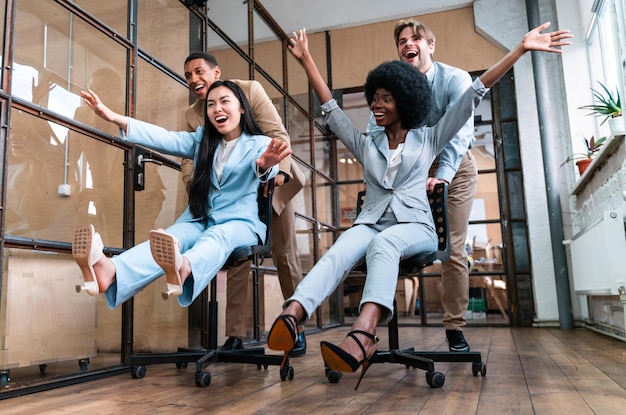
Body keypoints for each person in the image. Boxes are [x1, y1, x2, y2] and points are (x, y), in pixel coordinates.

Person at [267, 23, 572, 389]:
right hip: (371, 223)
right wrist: (306, 59)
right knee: (341, 249)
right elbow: (331, 109)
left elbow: (476, 91)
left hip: (416, 230)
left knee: (385, 243)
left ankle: (364, 333)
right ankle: (293, 313)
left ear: (406, 102)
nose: (376, 105)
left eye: (385, 99)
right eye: (374, 98)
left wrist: (520, 50)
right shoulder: (367, 145)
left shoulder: (430, 138)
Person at [72, 80, 291, 313]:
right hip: (200, 220)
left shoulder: (260, 144)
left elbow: (268, 168)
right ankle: (109, 271)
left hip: (240, 224)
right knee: (171, 237)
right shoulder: (202, 141)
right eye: (211, 105)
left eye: (225, 102)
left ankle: (185, 267)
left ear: (242, 108)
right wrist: (115, 117)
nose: (217, 109)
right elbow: (164, 138)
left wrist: (265, 166)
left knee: (218, 235)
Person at [182, 52, 307, 354]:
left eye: (199, 72)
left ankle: (296, 325)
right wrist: (194, 187)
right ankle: (236, 336)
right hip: (227, 194)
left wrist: (276, 175)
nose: (194, 80)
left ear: (216, 72)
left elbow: (277, 134)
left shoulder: (249, 90)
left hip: (269, 183)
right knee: (237, 255)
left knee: (284, 254)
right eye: (188, 75)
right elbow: (189, 160)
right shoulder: (193, 115)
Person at [366, 19, 477, 352]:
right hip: (409, 171)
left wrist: (442, 173)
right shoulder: (394, 85)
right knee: (386, 242)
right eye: (401, 40)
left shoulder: (454, 79)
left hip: (454, 168)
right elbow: (374, 130)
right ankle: (369, 327)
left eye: (415, 38)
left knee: (452, 249)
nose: (407, 44)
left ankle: (455, 328)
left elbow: (461, 129)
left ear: (431, 45)